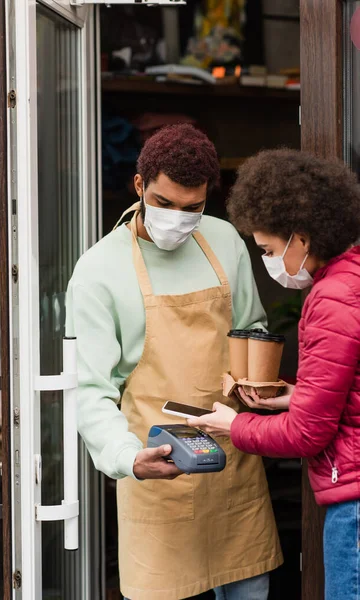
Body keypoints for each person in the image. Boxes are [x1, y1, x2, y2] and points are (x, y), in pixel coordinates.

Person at [66, 124, 282, 600]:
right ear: (140, 186)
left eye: (193, 209)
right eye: (164, 204)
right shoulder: (99, 270)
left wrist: (256, 382)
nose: (177, 219)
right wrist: (127, 458)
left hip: (234, 475)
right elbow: (91, 390)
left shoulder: (224, 240)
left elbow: (252, 329)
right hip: (157, 478)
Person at [188, 148, 360, 600]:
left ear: (300, 238)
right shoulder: (352, 280)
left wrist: (233, 424)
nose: (266, 259)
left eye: (267, 249)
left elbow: (306, 436)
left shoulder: (331, 299)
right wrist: (294, 396)